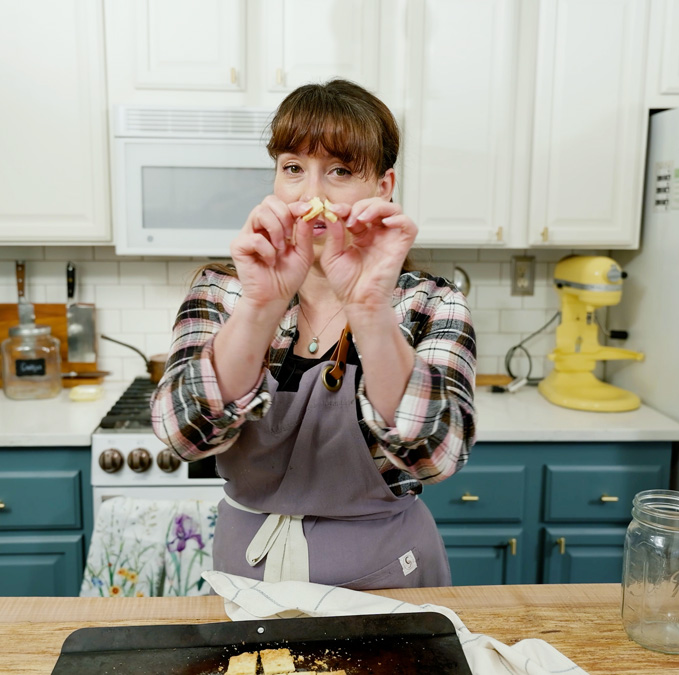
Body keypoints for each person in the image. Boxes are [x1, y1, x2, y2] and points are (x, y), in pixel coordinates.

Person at [151, 79, 476, 590]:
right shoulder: (225, 293)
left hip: (390, 580)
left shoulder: (429, 304)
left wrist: (367, 306)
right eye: (293, 168)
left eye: (341, 171)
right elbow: (184, 435)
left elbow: (436, 455)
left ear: (384, 187)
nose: (311, 194)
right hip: (248, 582)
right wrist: (262, 304)